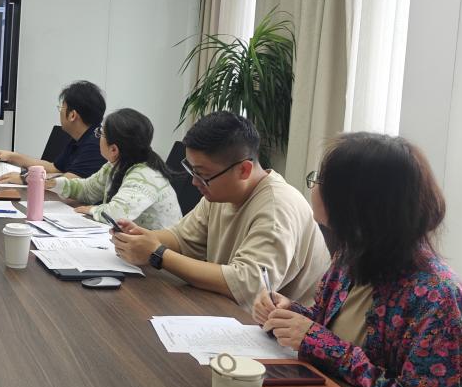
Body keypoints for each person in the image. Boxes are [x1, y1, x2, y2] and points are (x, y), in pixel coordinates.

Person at [254, 133, 462, 387]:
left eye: (321, 180)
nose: (314, 187)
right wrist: (291, 314)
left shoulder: (439, 302)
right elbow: (335, 328)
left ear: (359, 205)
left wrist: (324, 345)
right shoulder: (351, 257)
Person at [111, 111, 330, 309]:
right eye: (192, 170)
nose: (195, 182)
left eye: (202, 174)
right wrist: (141, 238)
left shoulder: (277, 208)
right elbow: (182, 238)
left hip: (284, 330)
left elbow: (247, 285)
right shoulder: (219, 193)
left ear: (243, 170)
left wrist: (158, 254)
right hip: (229, 311)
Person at [46, 108, 180, 230]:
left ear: (114, 149)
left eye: (100, 133)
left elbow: (117, 215)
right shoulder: (115, 165)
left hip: (159, 246)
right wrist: (53, 183)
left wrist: (92, 210)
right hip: (134, 241)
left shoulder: (145, 175)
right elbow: (87, 190)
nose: (98, 136)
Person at [0, 80, 107, 180]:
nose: (60, 112)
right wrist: (12, 156)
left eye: (62, 108)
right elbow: (54, 168)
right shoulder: (82, 137)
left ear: (72, 115)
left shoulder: (96, 144)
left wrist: (24, 179)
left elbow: (69, 182)